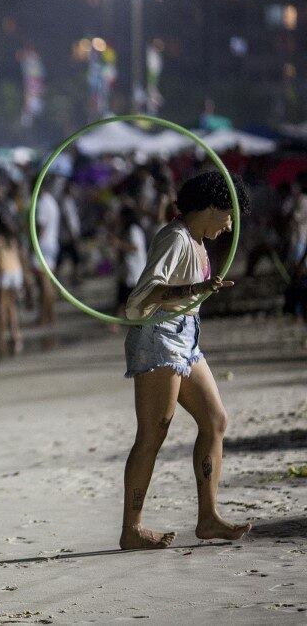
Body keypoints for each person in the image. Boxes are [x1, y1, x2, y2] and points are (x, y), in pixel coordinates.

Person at [120, 171, 251, 550]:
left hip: (185, 339)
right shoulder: (175, 239)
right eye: (229, 216)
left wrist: (195, 291)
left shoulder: (195, 240)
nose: (229, 226)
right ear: (211, 207)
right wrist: (195, 288)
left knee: (216, 420)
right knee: (153, 433)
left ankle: (208, 518)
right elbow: (141, 297)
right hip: (156, 339)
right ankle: (132, 528)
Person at [0, 216, 29, 356]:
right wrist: (26, 277)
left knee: (1, 307)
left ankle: (0, 337)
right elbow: (21, 258)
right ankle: (16, 335)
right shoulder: (13, 241)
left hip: (4, 273)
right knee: (12, 307)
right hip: (16, 273)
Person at [111, 205, 147, 326]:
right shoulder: (125, 230)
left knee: (127, 297)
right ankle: (118, 322)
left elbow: (135, 247)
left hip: (134, 270)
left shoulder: (133, 230)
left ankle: (117, 323)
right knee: (123, 297)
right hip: (127, 270)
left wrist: (119, 244)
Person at [33, 178, 61, 326]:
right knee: (48, 282)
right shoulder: (51, 201)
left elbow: (41, 228)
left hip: (43, 246)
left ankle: (46, 316)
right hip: (52, 244)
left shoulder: (43, 203)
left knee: (45, 284)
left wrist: (34, 246)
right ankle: (49, 315)